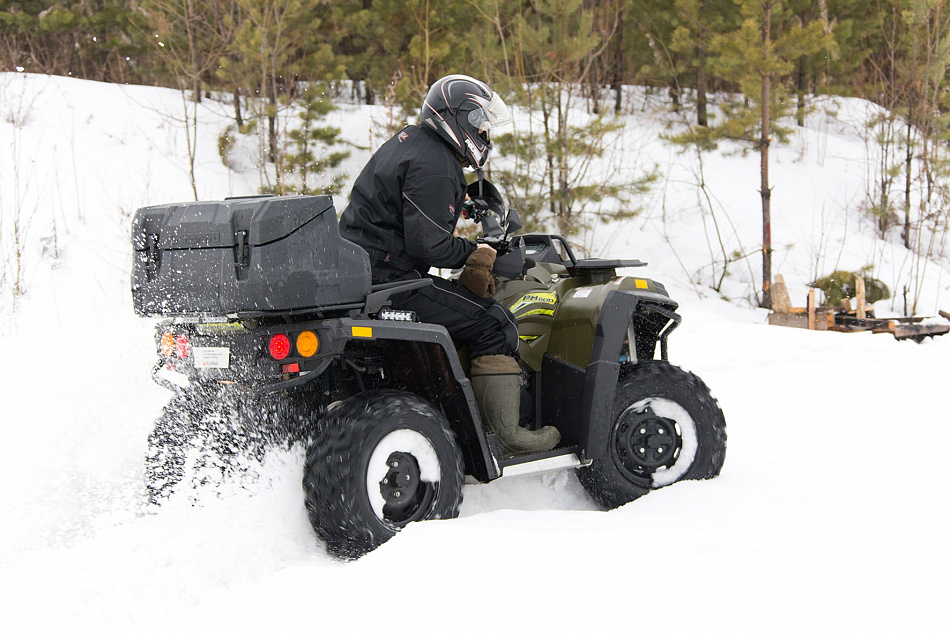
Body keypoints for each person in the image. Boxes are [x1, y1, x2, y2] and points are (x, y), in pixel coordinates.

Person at [339, 74, 559, 455]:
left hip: (363, 273)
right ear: (457, 118)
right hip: (391, 283)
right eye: (480, 125)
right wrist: (478, 253)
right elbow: (429, 245)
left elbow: (405, 207)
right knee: (494, 322)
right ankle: (508, 434)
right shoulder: (436, 165)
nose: (486, 136)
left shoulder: (411, 141)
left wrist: (463, 204)